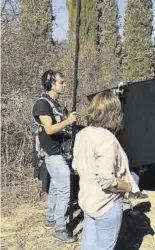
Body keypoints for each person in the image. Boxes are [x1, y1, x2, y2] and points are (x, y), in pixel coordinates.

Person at [72, 91, 140, 249]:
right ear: (114, 113)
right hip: (106, 205)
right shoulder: (106, 140)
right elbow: (107, 181)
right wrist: (130, 186)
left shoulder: (82, 134)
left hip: (88, 201)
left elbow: (76, 166)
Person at [32, 70, 77, 243]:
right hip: (51, 153)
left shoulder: (56, 104)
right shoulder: (43, 104)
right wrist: (67, 121)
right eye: (61, 82)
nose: (64, 85)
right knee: (65, 186)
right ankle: (60, 228)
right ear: (52, 83)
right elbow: (49, 129)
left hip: (59, 151)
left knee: (57, 187)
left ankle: (51, 219)